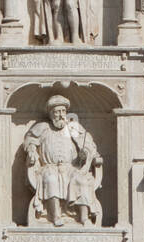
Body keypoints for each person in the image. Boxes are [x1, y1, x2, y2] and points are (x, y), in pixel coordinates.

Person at [24, 95, 103, 227]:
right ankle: (55, 217)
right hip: (49, 167)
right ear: (50, 114)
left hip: (71, 168)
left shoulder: (73, 128)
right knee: (51, 179)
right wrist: (31, 150)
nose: (60, 115)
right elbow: (30, 140)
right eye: (56, 112)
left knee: (81, 180)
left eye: (63, 111)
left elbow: (88, 145)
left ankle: (84, 218)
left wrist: (86, 154)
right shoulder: (42, 127)